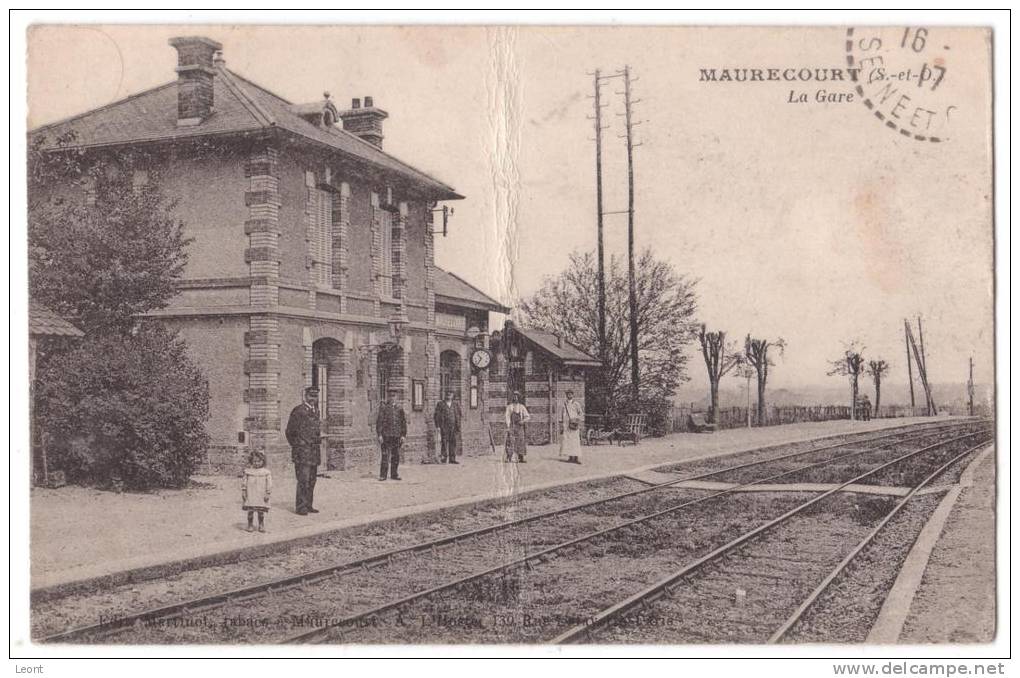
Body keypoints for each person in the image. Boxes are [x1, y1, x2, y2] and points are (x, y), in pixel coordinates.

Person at [285, 387, 321, 515]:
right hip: (302, 452)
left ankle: (308, 505)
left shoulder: (316, 410)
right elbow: (289, 431)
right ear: (305, 396)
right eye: (311, 396)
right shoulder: (298, 411)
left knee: (312, 480)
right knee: (303, 480)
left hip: (314, 451)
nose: (313, 399)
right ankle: (301, 507)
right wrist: (298, 446)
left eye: (315, 396)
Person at [376, 385, 407, 481]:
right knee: (385, 455)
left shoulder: (399, 408)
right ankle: (383, 475)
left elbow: (403, 423)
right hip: (386, 435)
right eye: (390, 396)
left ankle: (394, 474)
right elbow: (379, 422)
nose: (392, 398)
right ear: (388, 396)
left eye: (394, 396)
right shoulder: (384, 408)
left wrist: (403, 435)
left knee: (396, 456)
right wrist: (380, 435)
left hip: (396, 435)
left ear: (396, 397)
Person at [241, 449, 272, 532]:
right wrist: (244, 491)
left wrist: (268, 493)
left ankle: (261, 524)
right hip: (251, 494)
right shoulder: (248, 472)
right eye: (254, 461)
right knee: (250, 510)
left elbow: (269, 484)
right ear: (251, 461)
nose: (256, 463)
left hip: (261, 494)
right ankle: (250, 524)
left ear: (263, 461)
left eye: (259, 461)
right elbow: (244, 482)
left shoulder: (266, 472)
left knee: (260, 511)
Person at [433, 389, 462, 464]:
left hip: (453, 427)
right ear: (445, 395)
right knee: (444, 442)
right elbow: (436, 416)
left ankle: (452, 459)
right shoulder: (440, 404)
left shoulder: (455, 404)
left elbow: (459, 414)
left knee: (453, 442)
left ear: (453, 395)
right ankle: (444, 458)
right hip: (444, 427)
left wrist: (458, 425)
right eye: (447, 393)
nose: (449, 395)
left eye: (451, 394)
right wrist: (438, 426)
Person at [504, 391, 531, 463]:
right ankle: (508, 457)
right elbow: (507, 417)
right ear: (512, 398)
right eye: (514, 396)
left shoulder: (522, 407)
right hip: (512, 426)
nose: (515, 398)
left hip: (520, 427)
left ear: (519, 398)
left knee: (521, 441)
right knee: (510, 441)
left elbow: (528, 417)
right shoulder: (509, 407)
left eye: (517, 397)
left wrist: (523, 421)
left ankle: (521, 457)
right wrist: (508, 426)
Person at [559, 390, 584, 465]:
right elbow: (562, 415)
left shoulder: (576, 404)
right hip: (566, 425)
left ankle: (576, 457)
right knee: (568, 441)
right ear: (566, 395)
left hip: (574, 425)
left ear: (573, 395)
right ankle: (570, 457)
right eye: (568, 394)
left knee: (575, 441)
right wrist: (562, 424)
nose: (569, 395)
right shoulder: (564, 404)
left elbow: (581, 413)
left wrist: (576, 419)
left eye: (570, 394)